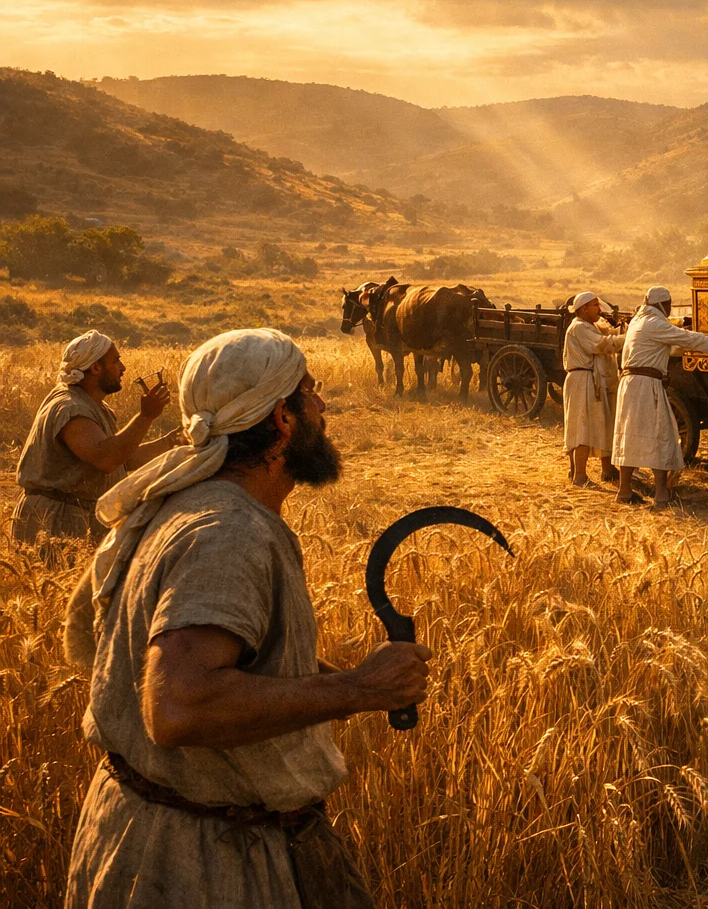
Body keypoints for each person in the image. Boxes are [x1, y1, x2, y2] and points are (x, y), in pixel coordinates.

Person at [63, 328, 433, 909]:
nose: (323, 405)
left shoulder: (186, 504)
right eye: (309, 393)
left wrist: (330, 677)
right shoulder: (228, 532)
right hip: (203, 867)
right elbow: (182, 706)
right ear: (282, 421)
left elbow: (213, 663)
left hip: (153, 835)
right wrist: (358, 688)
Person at [12, 330, 180, 544]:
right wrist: (146, 416)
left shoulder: (94, 406)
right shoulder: (71, 408)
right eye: (116, 361)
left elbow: (122, 458)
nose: (123, 368)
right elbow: (106, 459)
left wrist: (172, 442)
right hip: (54, 521)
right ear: (96, 367)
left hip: (74, 516)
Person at [612, 286, 708, 506]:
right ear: (664, 305)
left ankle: (624, 491)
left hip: (630, 384)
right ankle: (661, 494)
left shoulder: (639, 321)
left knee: (630, 435)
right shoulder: (655, 324)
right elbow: (691, 340)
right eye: (669, 304)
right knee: (662, 434)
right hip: (646, 384)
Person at [562, 292, 623, 487]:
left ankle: (608, 469)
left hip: (594, 380)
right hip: (583, 380)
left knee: (602, 423)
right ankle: (579, 475)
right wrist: (630, 338)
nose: (600, 309)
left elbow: (609, 334)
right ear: (583, 309)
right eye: (595, 305)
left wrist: (625, 329)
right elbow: (602, 344)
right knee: (582, 427)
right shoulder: (579, 327)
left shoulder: (592, 326)